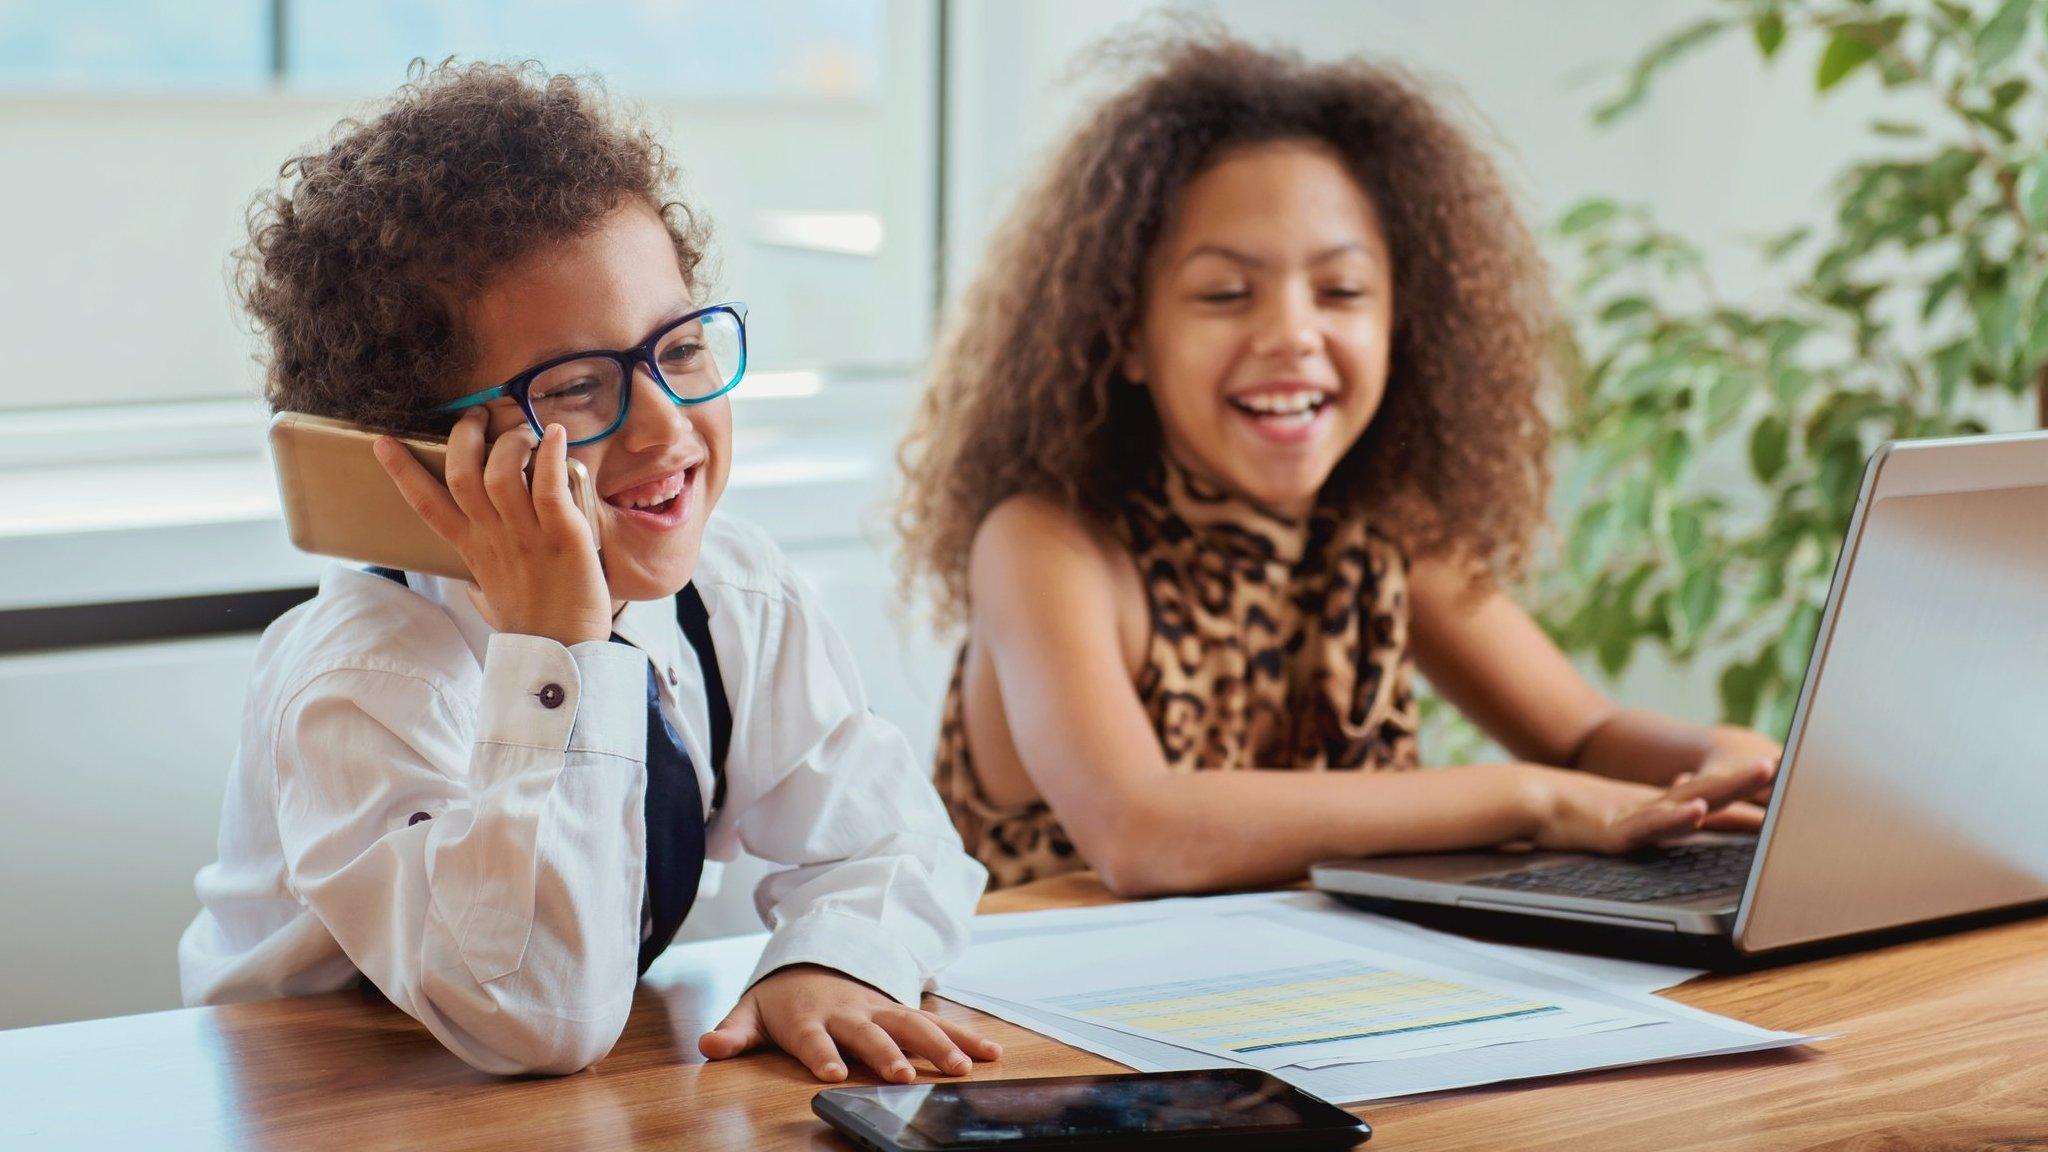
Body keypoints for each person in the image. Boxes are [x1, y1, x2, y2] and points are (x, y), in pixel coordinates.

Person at [179, 61, 1000, 1082]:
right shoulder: (366, 677)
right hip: (337, 1103)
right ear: (422, 454)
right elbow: (533, 1016)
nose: (663, 426)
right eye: (574, 387)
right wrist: (556, 649)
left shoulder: (730, 595)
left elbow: (893, 844)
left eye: (682, 348)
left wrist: (834, 960)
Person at [895, 31, 1780, 896]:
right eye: (1225, 294)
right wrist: (1530, 797)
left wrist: (1718, 760)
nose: (1291, 334)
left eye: (1342, 291)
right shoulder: (1046, 546)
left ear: (1403, 325)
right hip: (1047, 1034)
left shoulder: (1385, 530)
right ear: (1124, 334)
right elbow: (1141, 833)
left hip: (1318, 1017)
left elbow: (1584, 737)